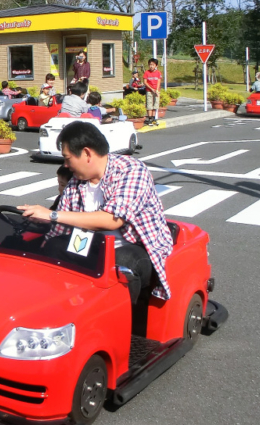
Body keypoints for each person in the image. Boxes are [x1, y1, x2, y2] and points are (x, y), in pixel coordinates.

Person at [18, 121, 174, 302]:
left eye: (68, 158)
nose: (66, 165)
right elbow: (60, 228)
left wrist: (50, 214)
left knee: (121, 262)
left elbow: (112, 220)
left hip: (135, 247)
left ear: (87, 153)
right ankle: (63, 307)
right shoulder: (76, 181)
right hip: (92, 245)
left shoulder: (131, 171)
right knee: (55, 247)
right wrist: (41, 242)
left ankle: (117, 317)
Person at [143, 58, 162, 126]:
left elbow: (159, 82)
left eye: (153, 65)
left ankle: (154, 118)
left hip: (156, 91)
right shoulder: (146, 72)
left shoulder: (158, 73)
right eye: (150, 65)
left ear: (156, 65)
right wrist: (151, 89)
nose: (151, 66)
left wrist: (156, 90)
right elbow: (145, 82)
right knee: (149, 105)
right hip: (149, 91)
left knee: (155, 105)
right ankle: (150, 119)